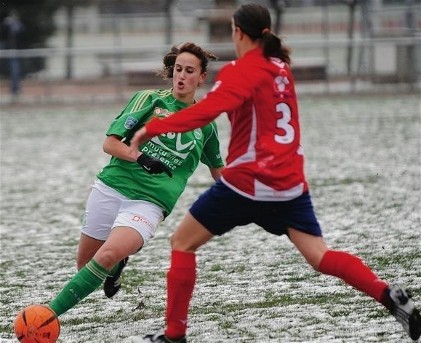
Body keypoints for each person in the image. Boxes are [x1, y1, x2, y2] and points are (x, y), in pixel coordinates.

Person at [128, 4, 421, 343]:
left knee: (182, 242)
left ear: (238, 32)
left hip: (247, 183)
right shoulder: (281, 68)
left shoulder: (240, 71)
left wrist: (153, 129)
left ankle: (174, 335)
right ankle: (388, 295)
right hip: (289, 185)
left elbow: (205, 111)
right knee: (320, 255)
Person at [17, 42, 224, 323]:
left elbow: (217, 168)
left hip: (150, 202)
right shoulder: (149, 100)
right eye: (178, 69)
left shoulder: (205, 124)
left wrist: (247, 189)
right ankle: (116, 268)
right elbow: (110, 143)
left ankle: (46, 316)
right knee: (86, 266)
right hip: (112, 187)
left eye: (190, 71)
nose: (182, 76)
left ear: (201, 78)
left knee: (107, 254)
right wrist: (139, 157)